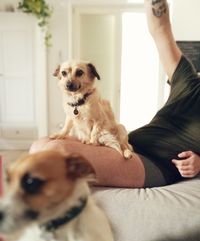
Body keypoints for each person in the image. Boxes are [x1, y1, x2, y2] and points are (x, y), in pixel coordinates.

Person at [30, 0, 200, 189]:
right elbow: (160, 29)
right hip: (129, 144)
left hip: (156, 164)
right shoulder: (189, 81)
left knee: (55, 150)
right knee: (40, 144)